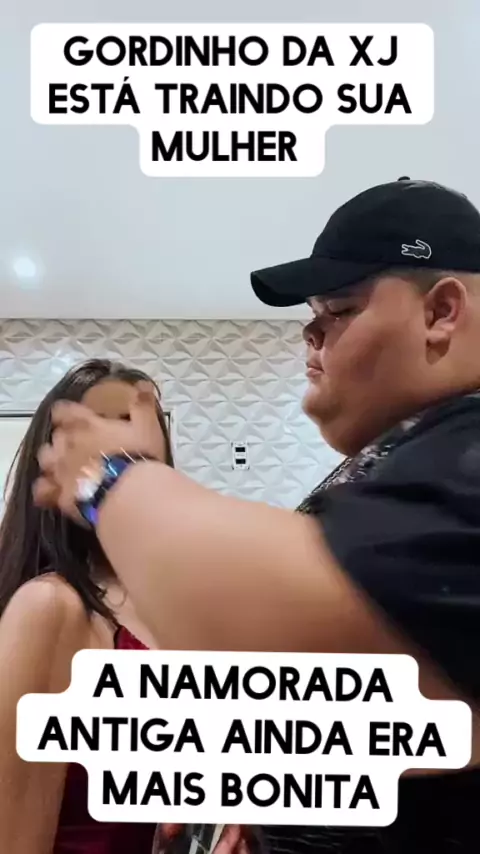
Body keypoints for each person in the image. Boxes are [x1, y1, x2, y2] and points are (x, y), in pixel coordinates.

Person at [34, 178, 480, 852]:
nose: (310, 335)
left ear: (441, 311)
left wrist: (113, 479)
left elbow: (302, 649)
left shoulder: (468, 448)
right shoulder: (409, 456)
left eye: (338, 309)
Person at [0, 359, 173, 854]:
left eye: (144, 423)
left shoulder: (172, 603)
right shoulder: (49, 607)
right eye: (107, 423)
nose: (131, 447)